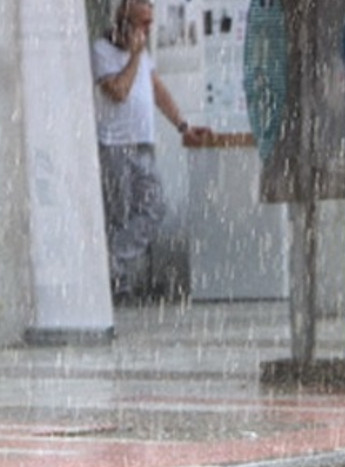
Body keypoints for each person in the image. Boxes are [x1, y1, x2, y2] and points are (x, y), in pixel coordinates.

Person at [92, 0, 208, 301]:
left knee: (154, 207)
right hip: (115, 144)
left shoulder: (143, 55)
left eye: (150, 24)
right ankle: (118, 282)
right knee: (117, 213)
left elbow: (157, 90)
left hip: (143, 143)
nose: (148, 30)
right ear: (126, 23)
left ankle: (111, 258)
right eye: (143, 24)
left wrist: (182, 125)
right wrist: (133, 55)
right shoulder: (103, 51)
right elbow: (117, 92)